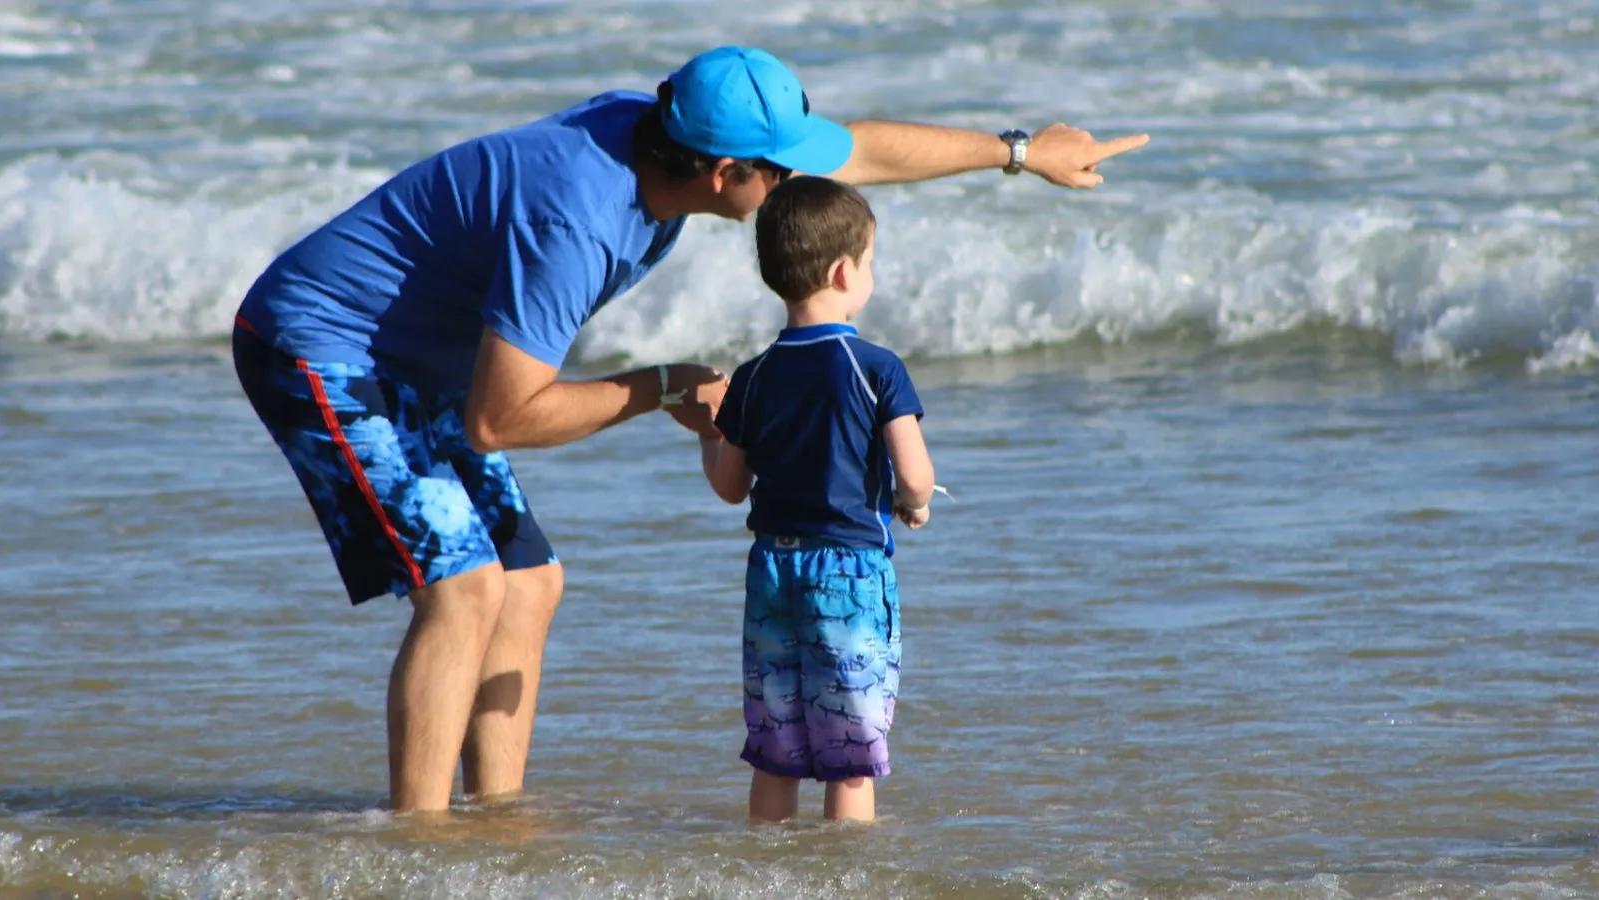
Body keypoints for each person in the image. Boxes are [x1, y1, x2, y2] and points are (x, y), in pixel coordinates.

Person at [230, 44, 1149, 814]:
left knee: (531, 581)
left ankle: (494, 822)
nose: (797, 182)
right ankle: (420, 844)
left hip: (422, 356)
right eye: (779, 170)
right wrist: (662, 386)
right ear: (723, 174)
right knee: (464, 589)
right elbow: (501, 418)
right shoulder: (577, 219)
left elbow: (861, 149)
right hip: (318, 347)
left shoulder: (666, 131)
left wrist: (1019, 154)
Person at [698, 175, 933, 823]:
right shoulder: (876, 367)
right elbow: (914, 477)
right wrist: (913, 504)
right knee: (849, 759)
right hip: (847, 576)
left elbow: (728, 486)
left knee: (778, 751)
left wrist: (704, 432)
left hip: (773, 570)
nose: (871, 277)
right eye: (870, 263)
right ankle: (840, 883)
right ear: (841, 272)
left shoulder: (755, 374)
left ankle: (768, 875)